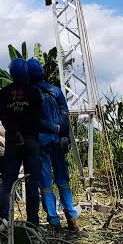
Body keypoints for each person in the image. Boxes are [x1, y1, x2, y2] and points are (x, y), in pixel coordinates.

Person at [0, 58, 52, 226]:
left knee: (8, 182)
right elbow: (37, 118)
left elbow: (3, 118)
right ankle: (33, 223)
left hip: (13, 141)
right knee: (32, 182)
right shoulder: (34, 92)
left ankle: (4, 221)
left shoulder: (4, 93)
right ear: (27, 72)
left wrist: (15, 132)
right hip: (31, 141)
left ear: (12, 73)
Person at [27, 58, 80, 232]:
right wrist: (63, 133)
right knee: (63, 179)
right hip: (58, 140)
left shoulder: (31, 93)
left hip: (41, 142)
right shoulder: (56, 91)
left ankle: (54, 221)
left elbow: (34, 120)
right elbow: (65, 114)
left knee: (46, 182)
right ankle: (72, 217)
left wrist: (52, 127)